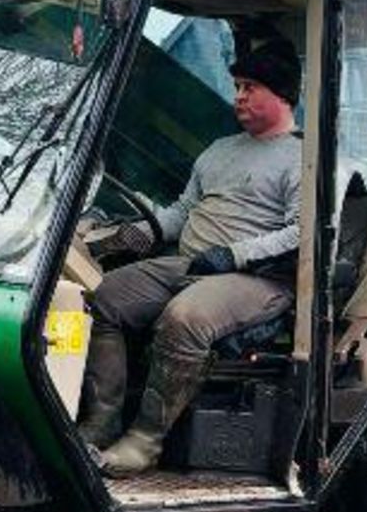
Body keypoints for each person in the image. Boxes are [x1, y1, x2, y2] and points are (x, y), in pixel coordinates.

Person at [80, 39, 303, 477]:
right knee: (101, 296)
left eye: (250, 86)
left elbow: (302, 233)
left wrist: (234, 254)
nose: (238, 95)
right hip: (191, 263)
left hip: (259, 281)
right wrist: (134, 235)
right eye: (237, 85)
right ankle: (100, 423)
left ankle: (144, 442)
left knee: (185, 318)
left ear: (281, 94)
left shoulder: (303, 158)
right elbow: (182, 212)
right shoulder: (219, 149)